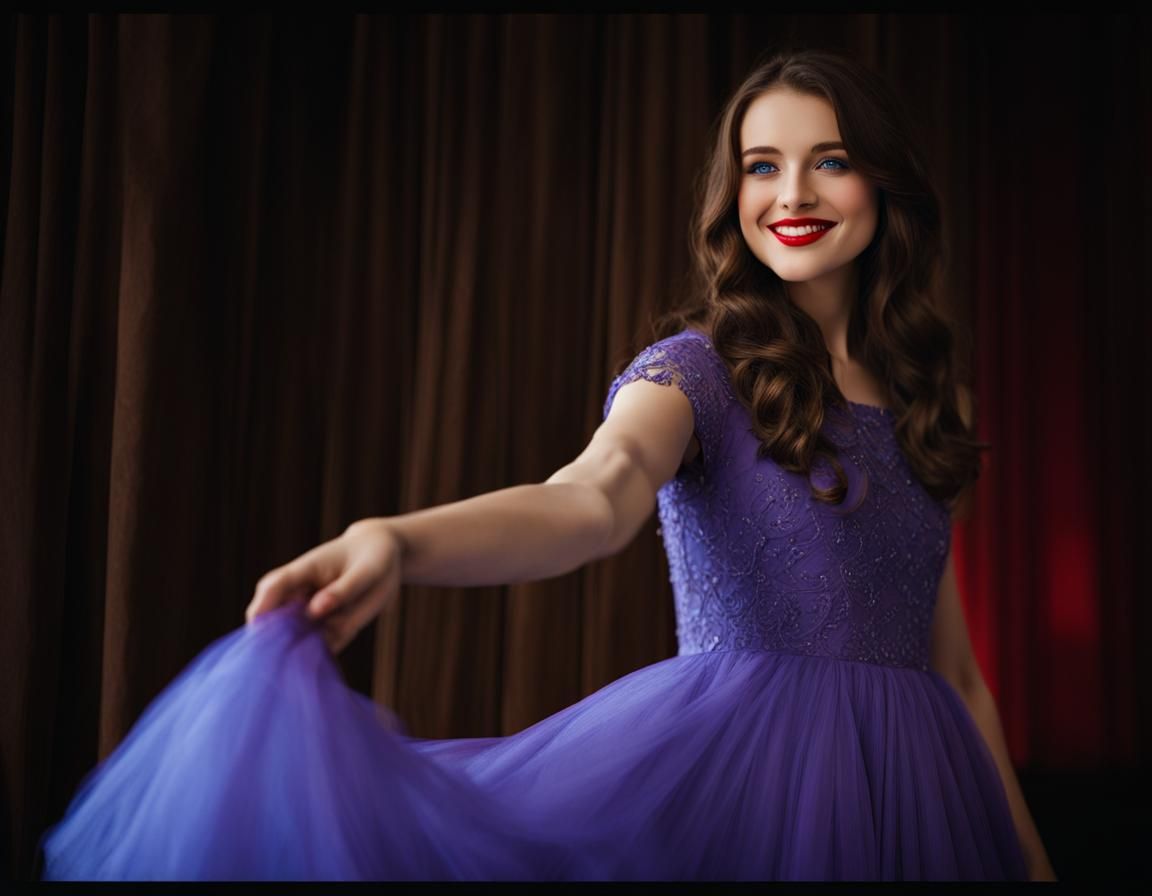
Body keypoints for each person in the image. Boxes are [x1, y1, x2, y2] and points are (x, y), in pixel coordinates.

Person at [38, 48, 1057, 881]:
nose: (791, 192)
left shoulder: (934, 402)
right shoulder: (696, 371)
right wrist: (394, 540)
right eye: (761, 165)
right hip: (748, 790)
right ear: (732, 190)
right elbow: (591, 498)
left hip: (926, 804)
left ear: (884, 181)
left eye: (828, 160)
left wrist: (1035, 863)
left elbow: (959, 674)